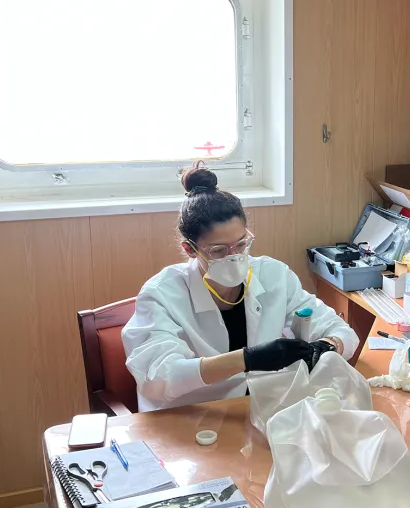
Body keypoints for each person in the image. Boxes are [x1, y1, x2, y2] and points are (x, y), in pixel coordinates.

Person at [122, 164, 360, 412]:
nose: (233, 256)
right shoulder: (160, 294)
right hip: (189, 418)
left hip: (260, 411)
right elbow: (159, 379)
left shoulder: (273, 275)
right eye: (218, 250)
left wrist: (326, 346)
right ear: (189, 249)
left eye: (241, 244)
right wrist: (247, 359)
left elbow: (342, 331)